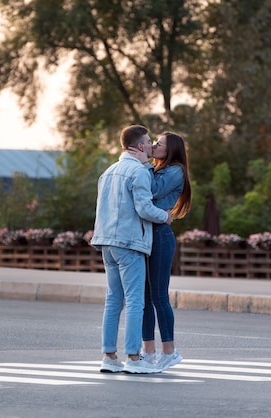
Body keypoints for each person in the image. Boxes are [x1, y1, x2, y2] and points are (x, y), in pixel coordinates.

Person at [91, 124, 172, 374]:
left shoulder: (108, 171)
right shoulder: (138, 173)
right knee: (136, 301)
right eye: (148, 142)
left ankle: (109, 356)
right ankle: (134, 358)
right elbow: (144, 209)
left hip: (107, 243)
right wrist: (165, 216)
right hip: (130, 244)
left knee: (113, 300)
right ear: (139, 146)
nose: (151, 146)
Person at [130, 131, 192, 371]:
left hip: (161, 236)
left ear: (172, 149)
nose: (153, 146)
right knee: (143, 298)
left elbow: (152, 191)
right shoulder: (155, 168)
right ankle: (149, 352)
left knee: (158, 296)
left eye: (159, 144)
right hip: (145, 234)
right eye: (153, 142)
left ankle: (169, 352)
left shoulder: (175, 171)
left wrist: (143, 163)